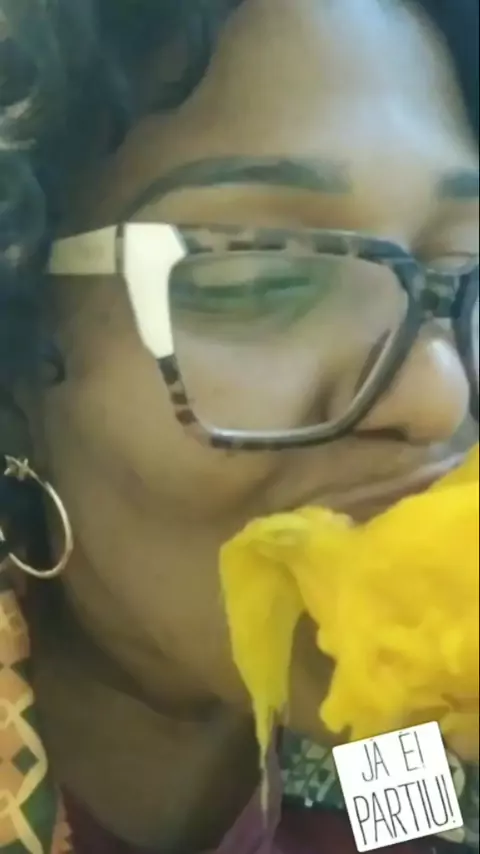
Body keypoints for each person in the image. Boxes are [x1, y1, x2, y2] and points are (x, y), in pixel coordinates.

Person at [0, 0, 478, 852]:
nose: (442, 394)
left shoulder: (392, 745)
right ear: (18, 383)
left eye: (469, 266)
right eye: (259, 278)